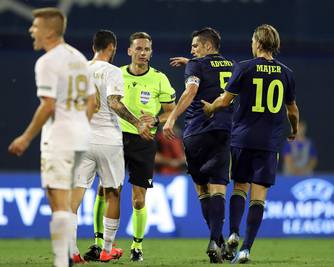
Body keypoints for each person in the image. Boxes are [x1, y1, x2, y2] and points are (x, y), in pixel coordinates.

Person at [202, 24, 299, 263]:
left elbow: (225, 101)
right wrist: (294, 129)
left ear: (257, 42)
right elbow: (293, 109)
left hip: (242, 138)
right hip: (269, 142)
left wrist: (211, 107)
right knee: (259, 196)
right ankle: (246, 248)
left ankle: (233, 231)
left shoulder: (244, 68)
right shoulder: (286, 73)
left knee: (239, 187)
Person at [8, 7, 96, 267]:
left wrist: (25, 137)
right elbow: (92, 100)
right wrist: (81, 125)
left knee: (57, 202)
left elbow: (47, 104)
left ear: (48, 31)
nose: (31, 30)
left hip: (59, 139)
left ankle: (62, 260)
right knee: (65, 201)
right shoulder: (78, 57)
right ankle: (68, 256)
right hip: (81, 137)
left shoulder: (47, 62)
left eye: (35, 26)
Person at [68, 30, 152, 263]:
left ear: (93, 46)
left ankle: (72, 251)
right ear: (112, 48)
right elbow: (114, 102)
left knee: (75, 195)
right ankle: (106, 249)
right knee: (113, 192)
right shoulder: (113, 71)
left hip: (82, 139)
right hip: (108, 140)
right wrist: (137, 123)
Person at [163, 27, 233, 263]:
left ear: (208, 46)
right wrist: (191, 61)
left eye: (195, 46)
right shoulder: (232, 66)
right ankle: (216, 241)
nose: (191, 50)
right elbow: (213, 74)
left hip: (196, 132)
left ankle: (218, 240)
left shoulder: (196, 66)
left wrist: (172, 117)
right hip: (223, 131)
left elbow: (191, 90)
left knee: (202, 190)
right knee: (219, 188)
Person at [120, 31, 176, 261]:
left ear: (151, 53)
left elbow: (170, 112)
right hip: (115, 138)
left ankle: (137, 246)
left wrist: (155, 119)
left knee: (138, 198)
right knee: (106, 190)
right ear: (130, 51)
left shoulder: (159, 79)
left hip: (143, 142)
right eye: (139, 48)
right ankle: (99, 244)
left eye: (147, 49)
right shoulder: (117, 75)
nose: (143, 53)